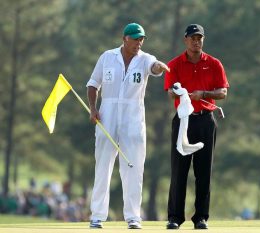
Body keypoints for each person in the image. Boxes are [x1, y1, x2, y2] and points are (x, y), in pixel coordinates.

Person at [86, 23, 169, 229]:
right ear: (125, 39)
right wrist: (92, 108)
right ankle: (97, 216)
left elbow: (154, 66)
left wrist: (160, 66)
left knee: (133, 167)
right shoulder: (107, 57)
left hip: (133, 119)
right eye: (135, 39)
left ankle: (133, 217)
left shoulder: (145, 59)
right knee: (103, 166)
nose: (139, 43)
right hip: (107, 117)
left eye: (141, 39)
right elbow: (93, 84)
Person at [164, 24, 229, 230]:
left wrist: (204, 94)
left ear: (203, 40)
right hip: (183, 121)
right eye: (192, 37)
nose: (196, 41)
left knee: (203, 172)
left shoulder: (214, 63)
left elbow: (222, 93)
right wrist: (182, 93)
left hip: (205, 120)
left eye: (199, 38)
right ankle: (174, 217)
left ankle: (201, 217)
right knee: (179, 170)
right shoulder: (174, 64)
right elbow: (171, 92)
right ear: (185, 40)